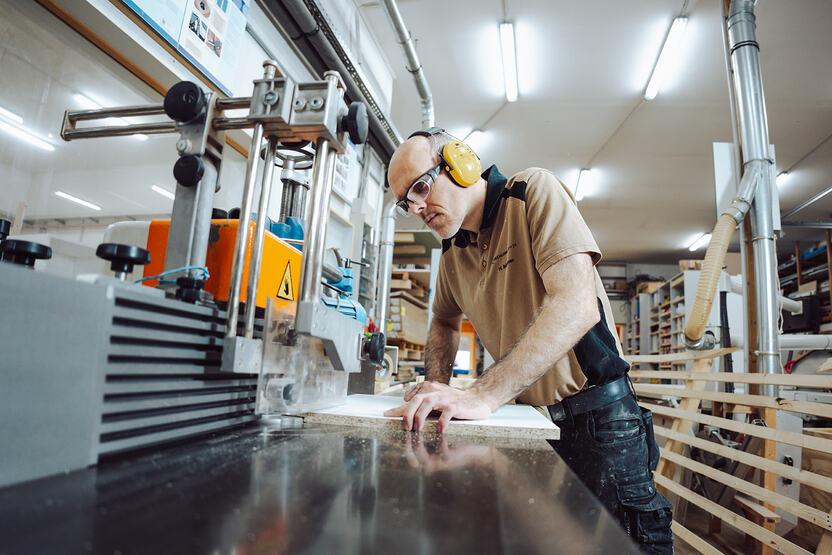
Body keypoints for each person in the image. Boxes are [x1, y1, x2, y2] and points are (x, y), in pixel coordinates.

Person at [383, 128, 674, 554]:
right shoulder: (452, 254)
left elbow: (577, 303)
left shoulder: (532, 192)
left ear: (462, 163)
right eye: (406, 202)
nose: (418, 207)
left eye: (422, 187)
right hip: (532, 422)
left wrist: (483, 394)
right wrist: (436, 385)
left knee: (622, 544)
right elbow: (443, 321)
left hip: (600, 420)